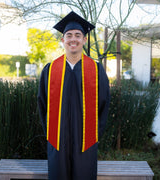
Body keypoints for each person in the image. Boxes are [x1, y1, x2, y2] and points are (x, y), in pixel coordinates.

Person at [37, 11, 110, 180]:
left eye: (78, 35)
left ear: (84, 39)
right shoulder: (50, 69)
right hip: (57, 139)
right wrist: (51, 133)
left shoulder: (96, 70)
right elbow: (42, 104)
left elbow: (104, 104)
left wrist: (94, 133)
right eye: (68, 35)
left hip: (86, 140)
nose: (73, 39)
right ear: (63, 40)